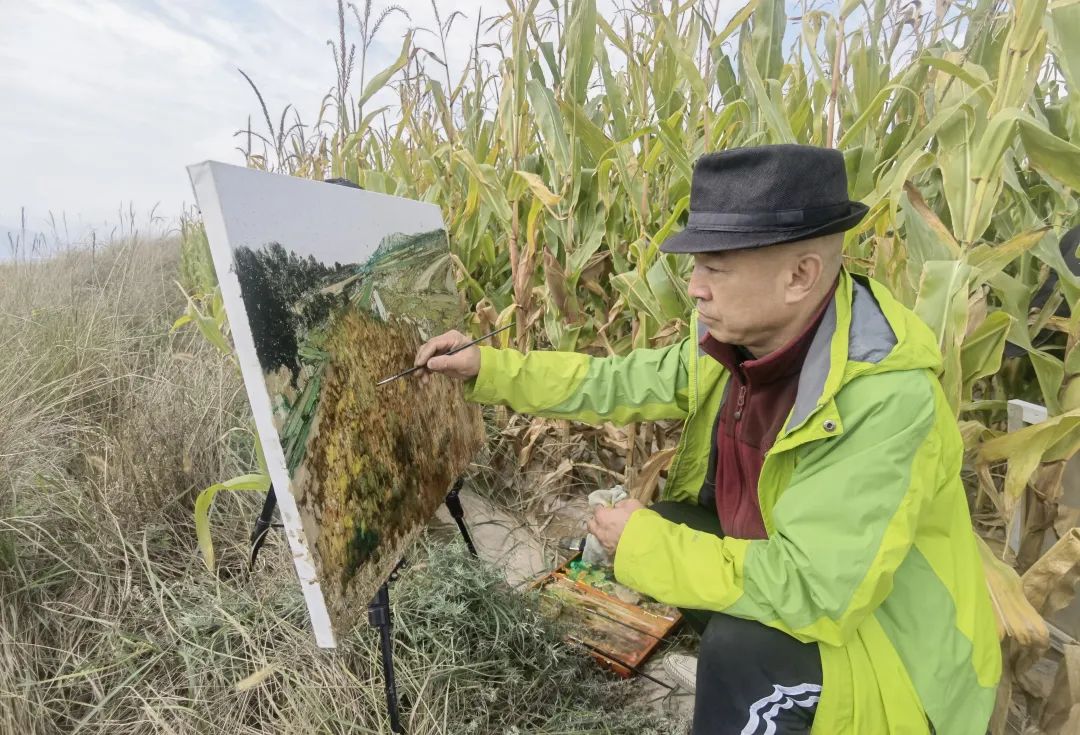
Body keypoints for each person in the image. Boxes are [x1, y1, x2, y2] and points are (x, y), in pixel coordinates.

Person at [413, 145, 1001, 734]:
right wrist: (486, 367)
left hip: (888, 652)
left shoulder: (884, 397)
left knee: (739, 650)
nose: (694, 288)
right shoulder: (737, 346)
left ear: (800, 275)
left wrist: (642, 544)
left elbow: (817, 593)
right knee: (674, 520)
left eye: (714, 268)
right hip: (807, 581)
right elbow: (615, 380)